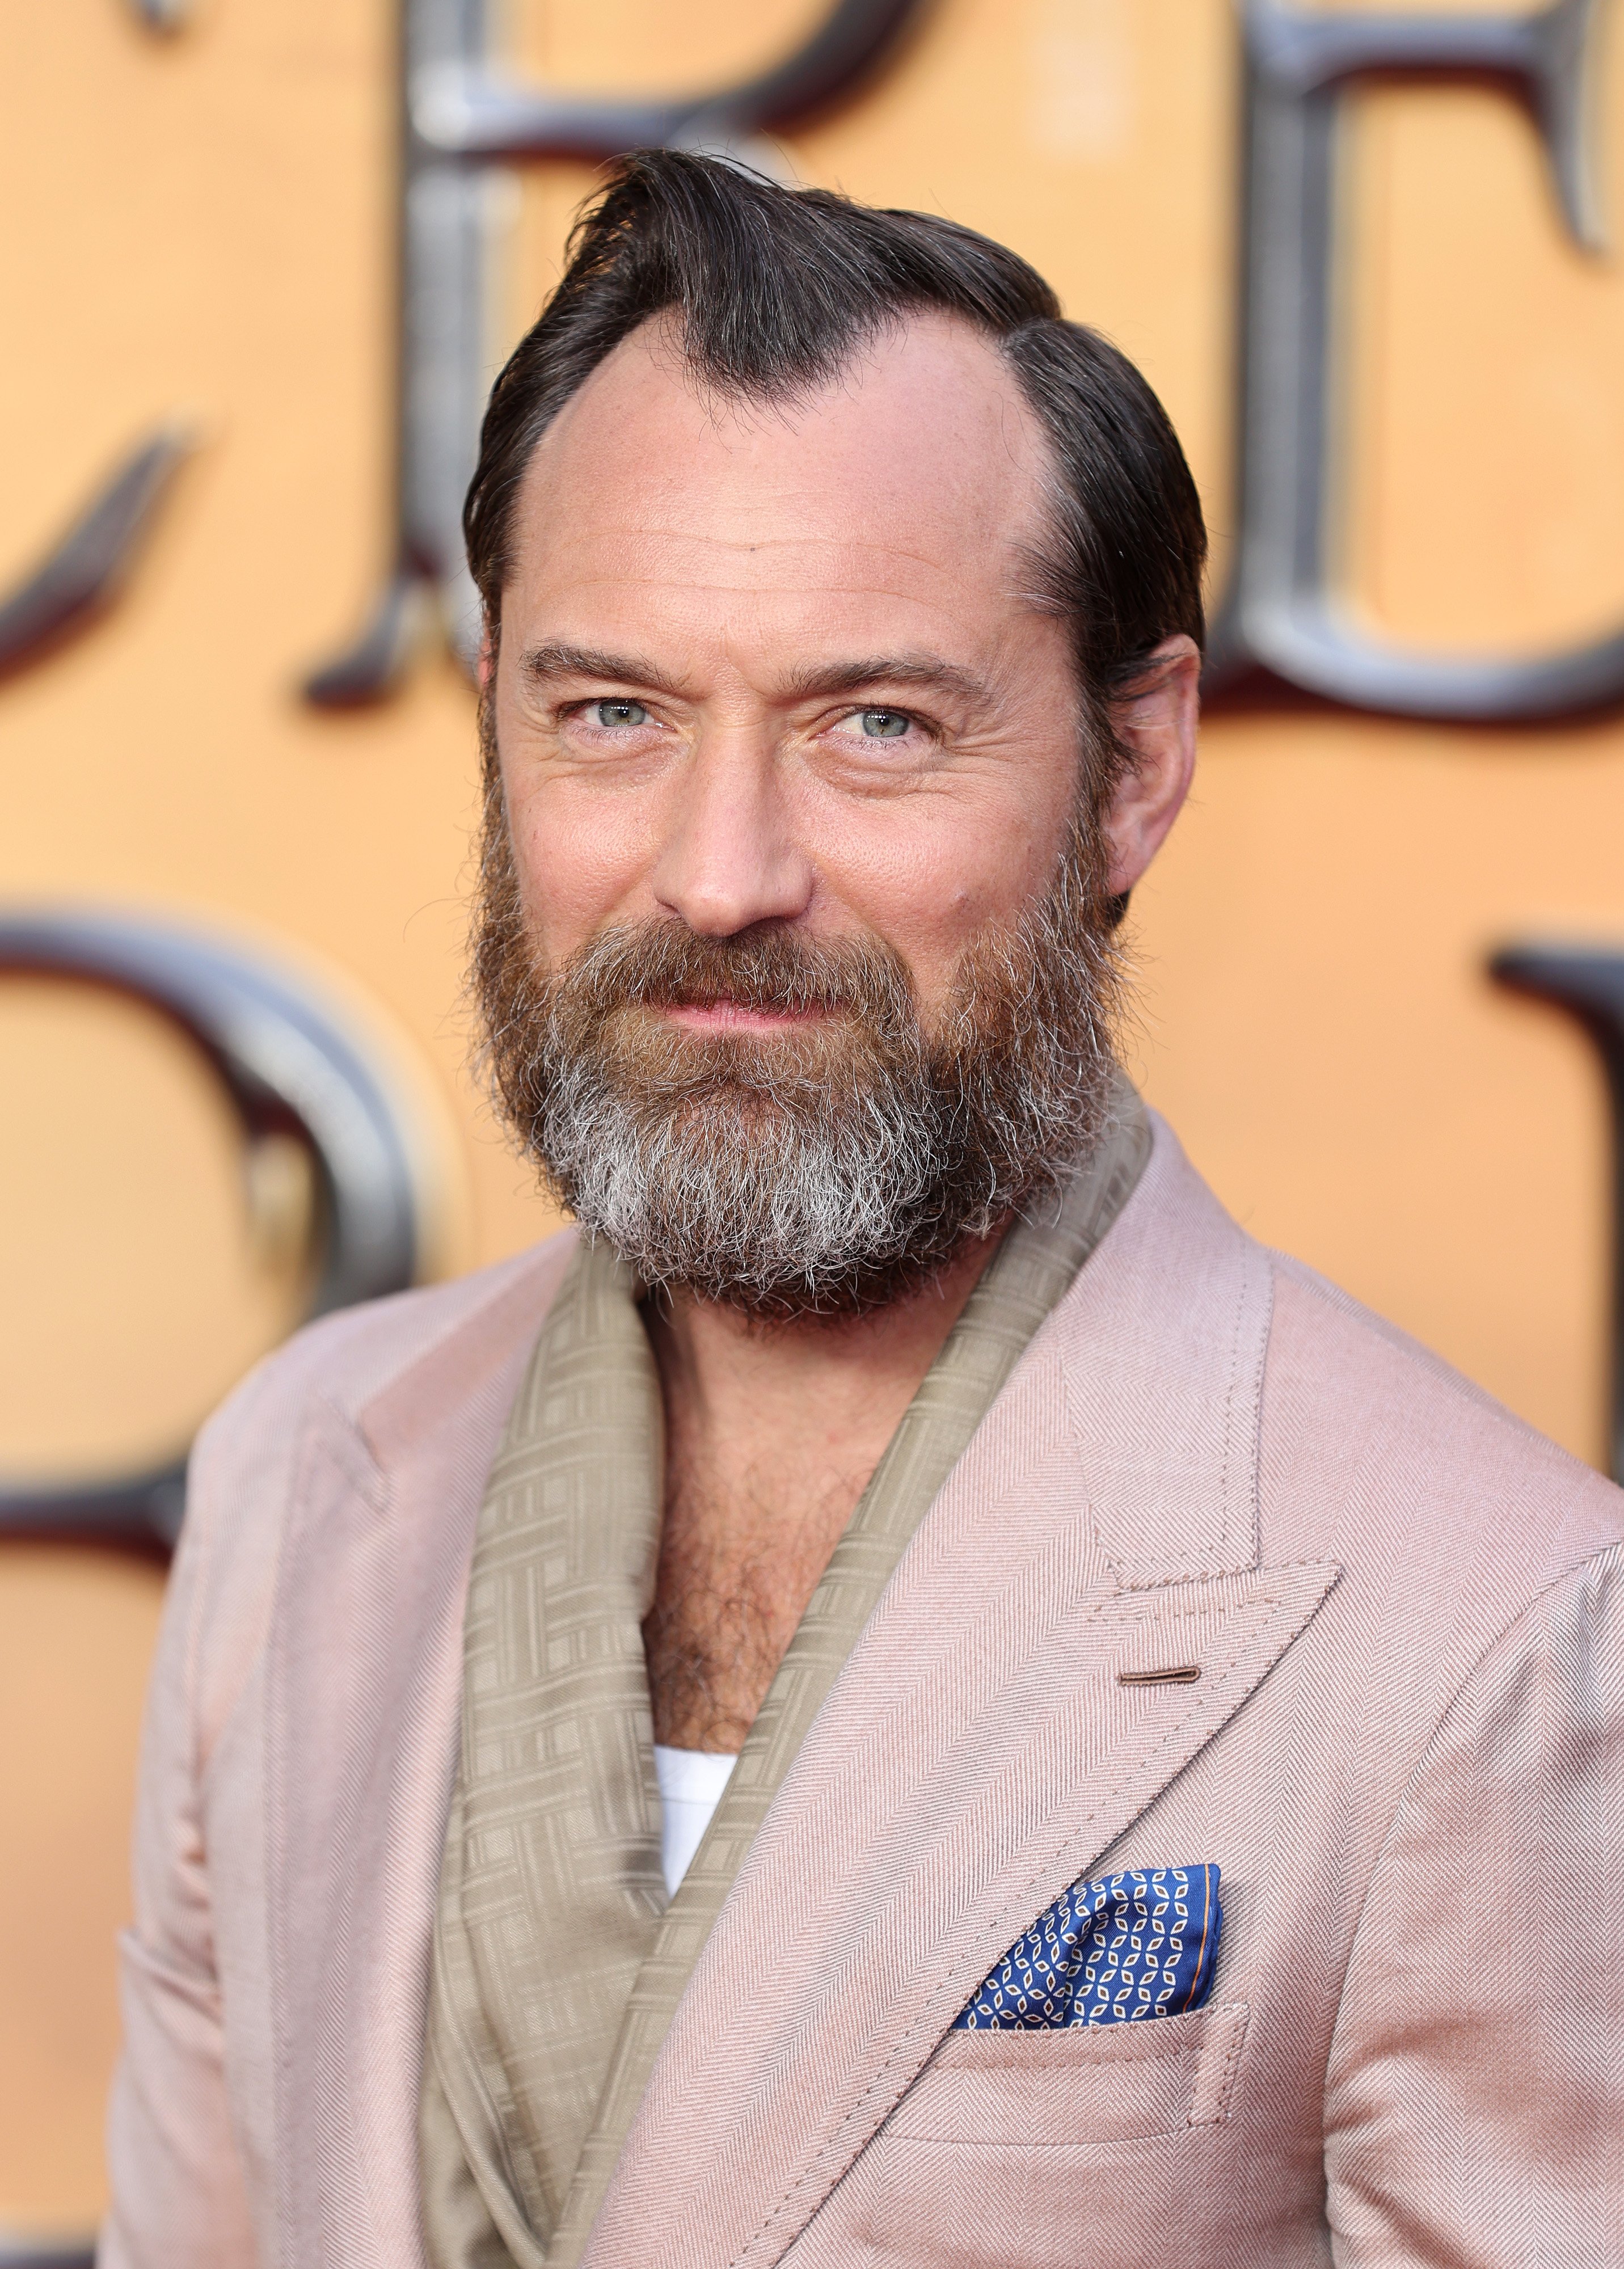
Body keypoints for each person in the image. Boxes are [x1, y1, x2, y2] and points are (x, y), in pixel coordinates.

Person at [103, 153, 1624, 2269]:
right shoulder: (295, 1492)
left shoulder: (1493, 1643)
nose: (721, 871)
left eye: (877, 724)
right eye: (613, 713)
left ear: (1133, 767)